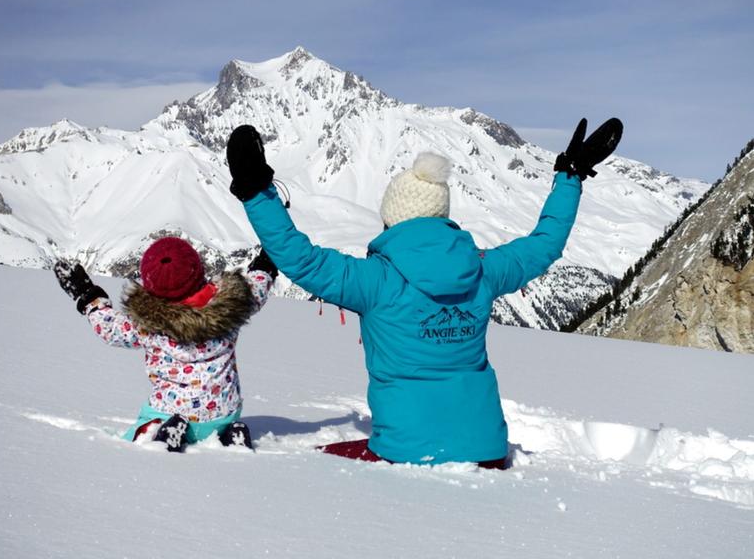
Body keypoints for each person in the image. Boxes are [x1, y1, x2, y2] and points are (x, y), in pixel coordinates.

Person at [225, 118, 622, 466]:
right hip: (486, 448)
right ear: (442, 216)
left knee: (310, 469)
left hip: (405, 449)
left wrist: (255, 192)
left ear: (392, 219)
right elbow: (544, 244)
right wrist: (570, 177)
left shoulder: (375, 280)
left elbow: (301, 260)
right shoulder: (483, 270)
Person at [53, 236, 276, 452]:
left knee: (139, 432)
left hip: (169, 411)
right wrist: (266, 263)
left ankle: (157, 433)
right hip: (224, 411)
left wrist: (88, 296)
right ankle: (228, 434)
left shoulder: (147, 323)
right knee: (220, 418)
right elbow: (257, 289)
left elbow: (111, 328)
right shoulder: (232, 305)